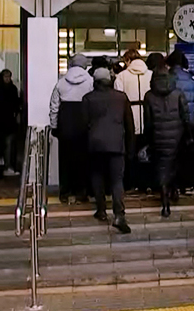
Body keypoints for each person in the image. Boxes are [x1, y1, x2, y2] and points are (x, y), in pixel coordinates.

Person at [82, 68, 135, 233]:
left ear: (95, 81)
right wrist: (130, 147)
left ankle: (101, 210)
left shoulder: (88, 98)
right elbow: (129, 125)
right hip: (116, 144)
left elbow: (83, 125)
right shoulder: (121, 97)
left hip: (95, 144)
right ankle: (119, 215)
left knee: (97, 176)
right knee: (117, 180)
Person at [143, 65, 189, 218]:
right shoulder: (178, 93)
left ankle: (165, 203)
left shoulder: (149, 96)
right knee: (173, 164)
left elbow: (148, 122)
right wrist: (187, 134)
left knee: (162, 168)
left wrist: (148, 139)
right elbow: (185, 116)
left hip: (158, 137)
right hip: (177, 137)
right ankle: (172, 194)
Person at [50, 54, 94, 204]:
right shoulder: (90, 81)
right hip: (83, 124)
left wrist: (54, 126)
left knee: (65, 160)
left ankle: (64, 192)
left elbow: (54, 107)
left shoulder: (61, 83)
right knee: (83, 160)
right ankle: (81, 192)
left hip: (65, 124)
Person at [167, 50, 194, 194]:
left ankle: (173, 186)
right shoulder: (193, 80)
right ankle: (188, 186)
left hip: (173, 123)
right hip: (191, 124)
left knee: (173, 156)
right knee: (189, 156)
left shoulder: (168, 79)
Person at [114, 49, 151, 135]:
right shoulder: (151, 74)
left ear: (128, 60)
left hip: (128, 117)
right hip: (148, 115)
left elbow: (118, 97)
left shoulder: (121, 76)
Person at [0, 70, 22, 176]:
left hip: (10, 122)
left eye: (9, 76)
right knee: (7, 146)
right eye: (5, 77)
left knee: (11, 146)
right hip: (3, 122)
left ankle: (10, 166)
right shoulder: (1, 90)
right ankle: (7, 166)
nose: (7, 79)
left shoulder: (12, 89)